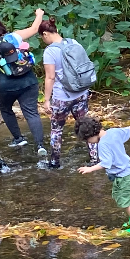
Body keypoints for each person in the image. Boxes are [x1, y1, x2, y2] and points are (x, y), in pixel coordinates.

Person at [0, 10, 48, 155]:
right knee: (32, 113)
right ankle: (40, 146)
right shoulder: (14, 37)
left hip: (6, 86)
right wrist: (39, 15)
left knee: (6, 110)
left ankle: (18, 138)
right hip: (28, 81)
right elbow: (35, 29)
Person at [38, 18, 98, 169]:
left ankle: (54, 162)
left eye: (41, 37)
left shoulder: (50, 51)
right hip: (81, 92)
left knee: (57, 130)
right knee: (87, 126)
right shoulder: (74, 43)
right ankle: (95, 159)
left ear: (45, 34)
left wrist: (46, 100)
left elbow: (50, 77)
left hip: (62, 97)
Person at [76, 115, 130, 232]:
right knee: (121, 197)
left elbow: (106, 163)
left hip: (122, 175)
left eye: (87, 140)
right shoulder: (113, 131)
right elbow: (129, 129)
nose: (88, 142)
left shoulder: (102, 145)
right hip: (126, 171)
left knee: (124, 203)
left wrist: (90, 169)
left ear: (91, 135)